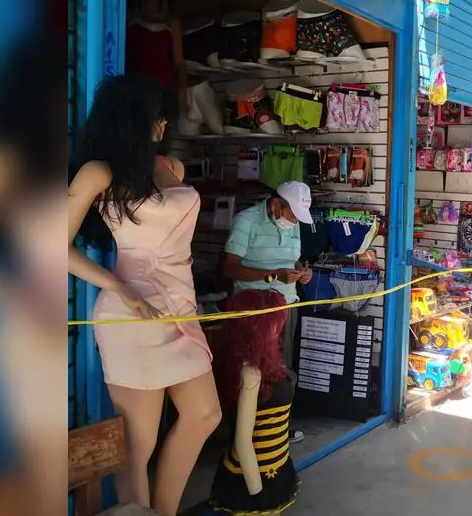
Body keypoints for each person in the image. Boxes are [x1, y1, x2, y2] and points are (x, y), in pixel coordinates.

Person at [68, 75, 222, 515]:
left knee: (205, 415)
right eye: (158, 118)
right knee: (140, 441)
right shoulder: (99, 172)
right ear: (134, 118)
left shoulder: (170, 166)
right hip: (130, 313)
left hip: (181, 306)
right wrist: (117, 286)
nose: (163, 127)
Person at [220, 181, 315, 442]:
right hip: (254, 310)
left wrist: (300, 271)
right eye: (292, 214)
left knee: (280, 369)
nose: (294, 221)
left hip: (286, 305)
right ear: (275, 204)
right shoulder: (246, 221)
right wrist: (273, 276)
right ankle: (246, 432)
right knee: (251, 369)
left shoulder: (294, 224)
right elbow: (229, 268)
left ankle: (276, 429)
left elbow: (290, 259)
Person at [210, 289, 301, 515]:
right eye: (273, 320)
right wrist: (258, 494)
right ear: (258, 325)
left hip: (276, 463)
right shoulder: (250, 372)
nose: (278, 327)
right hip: (253, 474)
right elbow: (242, 440)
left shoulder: (266, 358)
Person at [127, 0, 188, 119]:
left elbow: (179, 63)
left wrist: (183, 92)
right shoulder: (128, 18)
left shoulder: (172, 23)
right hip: (135, 89)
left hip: (164, 90)